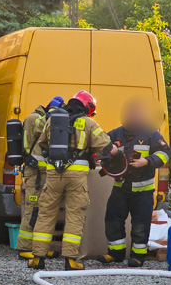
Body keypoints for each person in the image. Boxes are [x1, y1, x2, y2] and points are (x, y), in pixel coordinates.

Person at [29, 90, 118, 270]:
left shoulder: (53, 120)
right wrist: (118, 151)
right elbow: (107, 148)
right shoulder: (89, 123)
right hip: (76, 178)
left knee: (46, 214)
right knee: (74, 216)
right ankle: (70, 260)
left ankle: (38, 258)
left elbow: (43, 143)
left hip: (53, 174)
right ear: (87, 108)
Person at [97, 100, 171, 267]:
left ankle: (138, 257)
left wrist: (147, 161)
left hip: (143, 192)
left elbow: (165, 153)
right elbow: (101, 149)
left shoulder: (152, 135)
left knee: (140, 225)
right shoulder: (116, 134)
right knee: (113, 221)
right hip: (120, 189)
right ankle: (115, 254)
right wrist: (111, 152)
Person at [16, 96, 64, 260]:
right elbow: (42, 127)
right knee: (33, 209)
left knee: (44, 211)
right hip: (35, 172)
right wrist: (54, 113)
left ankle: (40, 248)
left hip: (43, 172)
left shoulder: (40, 117)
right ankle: (24, 247)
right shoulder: (33, 118)